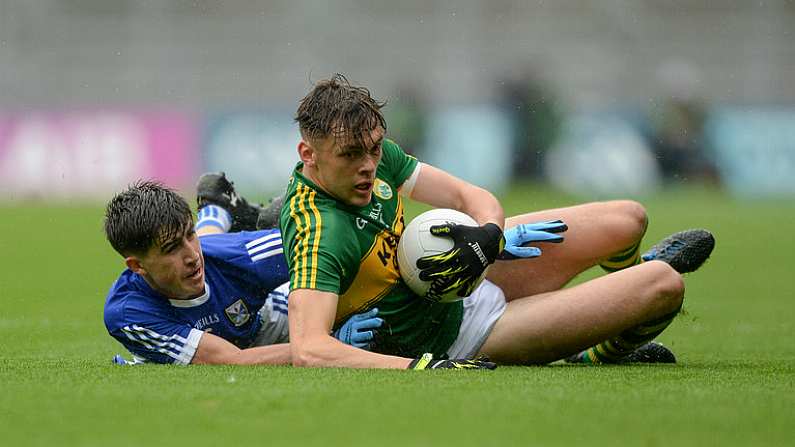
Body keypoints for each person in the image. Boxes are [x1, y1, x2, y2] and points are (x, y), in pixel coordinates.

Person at [278, 74, 715, 370]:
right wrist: (422, 366)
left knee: (628, 218)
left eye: (374, 149)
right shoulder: (320, 230)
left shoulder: (375, 156)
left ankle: (619, 300)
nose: (369, 166)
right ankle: (602, 351)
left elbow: (468, 196)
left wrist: (488, 233)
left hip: (464, 267)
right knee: (663, 285)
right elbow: (310, 349)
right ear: (308, 155)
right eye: (352, 156)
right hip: (459, 333)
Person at [103, 180, 383, 365]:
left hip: (265, 317)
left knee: (280, 227)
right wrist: (330, 344)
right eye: (171, 248)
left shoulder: (242, 256)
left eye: (190, 234)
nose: (190, 255)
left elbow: (328, 243)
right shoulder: (128, 311)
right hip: (237, 341)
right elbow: (231, 360)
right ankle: (218, 210)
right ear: (137, 266)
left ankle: (226, 211)